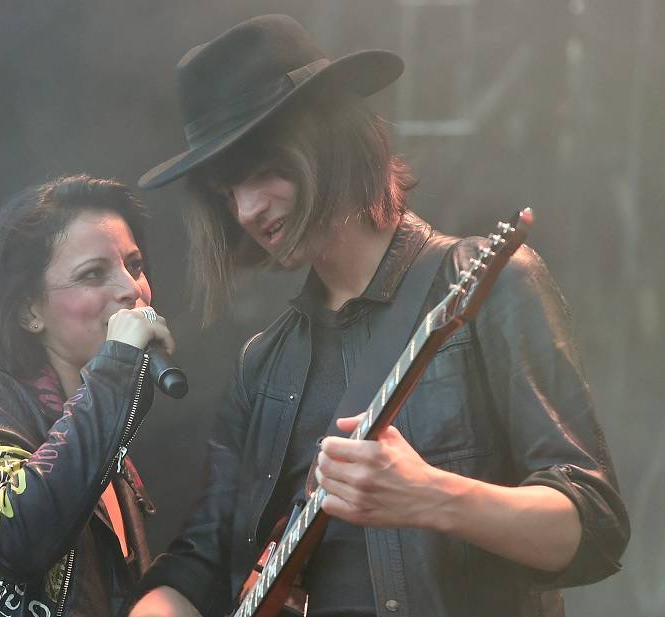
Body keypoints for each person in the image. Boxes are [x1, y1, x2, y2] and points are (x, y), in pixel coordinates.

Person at [127, 14, 629, 617]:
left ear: (329, 140)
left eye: (263, 171)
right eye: (225, 191)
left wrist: (430, 496)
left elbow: (594, 527)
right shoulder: (263, 364)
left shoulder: (491, 286)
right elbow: (201, 562)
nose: (246, 210)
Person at [0, 174, 175, 617]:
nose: (132, 289)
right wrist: (117, 373)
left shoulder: (112, 462)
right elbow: (12, 535)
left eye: (134, 266)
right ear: (29, 310)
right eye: (93, 274)